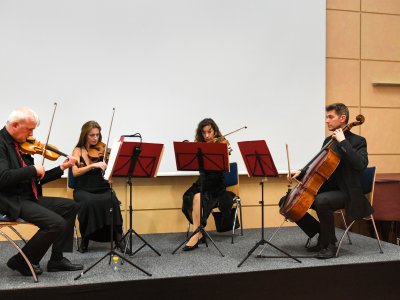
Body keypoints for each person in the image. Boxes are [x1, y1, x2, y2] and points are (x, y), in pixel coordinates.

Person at [280, 103, 373, 259]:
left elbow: (360, 165)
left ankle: (330, 244)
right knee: (287, 201)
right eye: (326, 117)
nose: (327, 121)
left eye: (331, 117)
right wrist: (301, 172)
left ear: (342, 118)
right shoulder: (328, 141)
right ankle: (321, 233)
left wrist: (344, 142)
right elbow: (318, 165)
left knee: (322, 201)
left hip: (347, 192)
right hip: (328, 189)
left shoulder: (358, 141)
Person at [0, 107, 83, 276]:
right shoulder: (0, 144)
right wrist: (32, 169)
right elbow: (3, 178)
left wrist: (61, 168)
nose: (31, 135)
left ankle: (57, 259)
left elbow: (35, 180)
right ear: (15, 125)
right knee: (56, 223)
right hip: (11, 201)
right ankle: (22, 261)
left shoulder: (21, 145)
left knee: (70, 206)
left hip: (29, 197)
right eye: (29, 129)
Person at [181, 118, 235, 251]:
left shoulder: (221, 144)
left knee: (198, 198)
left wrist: (224, 150)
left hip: (216, 185)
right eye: (204, 133)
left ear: (215, 131)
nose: (207, 136)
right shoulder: (199, 146)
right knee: (187, 197)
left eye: (209, 132)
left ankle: (196, 235)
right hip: (202, 182)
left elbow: (224, 164)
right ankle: (199, 231)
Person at [71, 121, 125, 253]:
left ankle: (118, 239)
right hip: (83, 190)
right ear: (85, 135)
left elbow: (110, 172)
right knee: (88, 203)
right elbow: (75, 172)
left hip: (102, 188)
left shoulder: (103, 149)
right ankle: (86, 239)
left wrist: (110, 169)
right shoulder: (77, 150)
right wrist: (92, 165)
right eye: (92, 135)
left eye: (97, 135)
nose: (95, 138)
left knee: (112, 199)